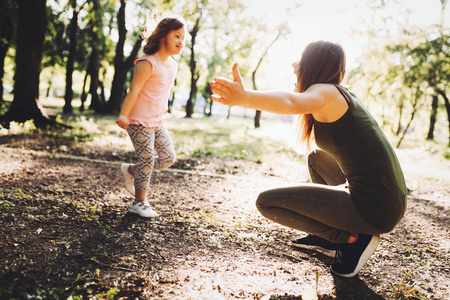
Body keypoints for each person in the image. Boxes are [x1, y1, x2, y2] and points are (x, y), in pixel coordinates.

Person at [210, 40, 407, 278]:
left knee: (267, 202)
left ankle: (351, 238)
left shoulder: (326, 92)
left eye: (301, 60)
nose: (295, 64)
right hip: (387, 198)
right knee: (316, 158)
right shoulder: (341, 94)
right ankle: (335, 237)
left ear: (315, 65)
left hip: (375, 207)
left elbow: (291, 103)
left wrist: (243, 98)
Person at [116, 17, 186, 218]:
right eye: (177, 36)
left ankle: (131, 170)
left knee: (167, 158)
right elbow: (134, 90)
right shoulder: (147, 62)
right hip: (138, 120)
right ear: (163, 36)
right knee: (146, 159)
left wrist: (163, 108)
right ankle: (139, 203)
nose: (181, 41)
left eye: (183, 38)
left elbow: (161, 91)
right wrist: (124, 113)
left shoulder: (172, 65)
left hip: (156, 120)